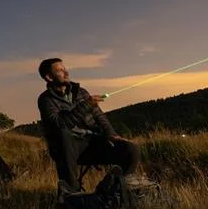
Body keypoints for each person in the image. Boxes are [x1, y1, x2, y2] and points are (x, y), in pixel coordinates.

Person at [37, 58, 140, 196]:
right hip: (68, 148)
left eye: (65, 68)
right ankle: (72, 194)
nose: (66, 72)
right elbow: (60, 124)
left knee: (130, 149)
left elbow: (99, 116)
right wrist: (86, 105)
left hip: (92, 142)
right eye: (60, 70)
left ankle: (113, 188)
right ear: (49, 77)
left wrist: (111, 134)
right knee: (63, 134)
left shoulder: (81, 92)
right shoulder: (46, 99)